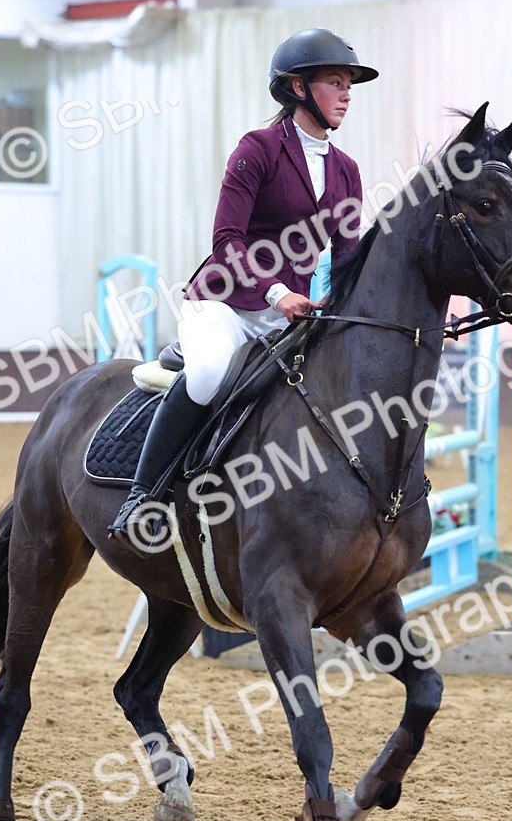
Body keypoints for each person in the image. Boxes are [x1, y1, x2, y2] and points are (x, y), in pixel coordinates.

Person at [108, 28, 378, 552]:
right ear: (298, 87)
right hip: (225, 300)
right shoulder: (257, 149)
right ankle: (143, 497)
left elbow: (346, 257)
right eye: (336, 82)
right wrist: (276, 293)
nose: (347, 95)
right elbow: (227, 238)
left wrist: (350, 304)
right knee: (210, 373)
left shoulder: (347, 171)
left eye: (349, 85)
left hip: (291, 314)